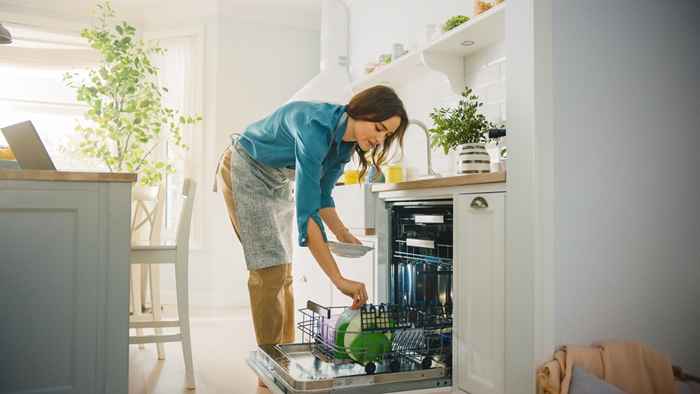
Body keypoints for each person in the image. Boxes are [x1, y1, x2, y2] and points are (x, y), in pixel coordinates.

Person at [214, 85, 408, 384]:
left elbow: (322, 197)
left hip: (275, 178)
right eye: (379, 128)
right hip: (246, 167)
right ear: (361, 111)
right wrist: (338, 279)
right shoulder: (314, 128)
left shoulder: (345, 146)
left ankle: (282, 360)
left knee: (284, 272)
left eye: (386, 136)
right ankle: (268, 375)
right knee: (269, 270)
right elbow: (308, 216)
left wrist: (343, 234)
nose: (380, 139)